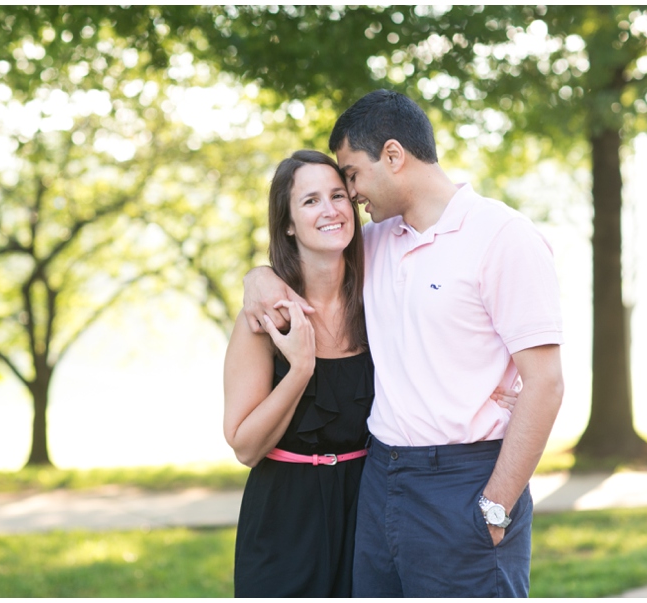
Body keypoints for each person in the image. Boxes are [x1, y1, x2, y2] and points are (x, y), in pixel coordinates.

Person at [242, 90, 564, 597]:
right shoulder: (373, 242)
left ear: (393, 156)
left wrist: (496, 507)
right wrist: (257, 277)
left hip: (464, 479)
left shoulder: (502, 237)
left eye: (350, 175)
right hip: (380, 481)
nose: (348, 195)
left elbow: (546, 382)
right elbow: (304, 257)